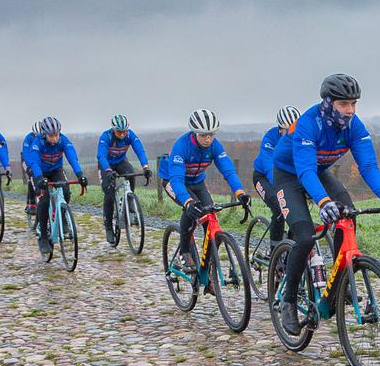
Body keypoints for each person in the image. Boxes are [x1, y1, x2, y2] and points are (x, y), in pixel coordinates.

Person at [272, 74, 380, 336]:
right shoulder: (308, 124)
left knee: (349, 215)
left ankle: (339, 281)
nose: (350, 110)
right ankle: (288, 300)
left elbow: (368, 166)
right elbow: (305, 171)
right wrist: (323, 201)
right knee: (304, 236)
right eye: (344, 104)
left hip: (320, 171)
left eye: (354, 104)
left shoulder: (354, 126)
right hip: (290, 175)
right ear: (327, 103)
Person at [159, 109, 250, 276]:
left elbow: (228, 170)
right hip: (173, 181)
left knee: (209, 217)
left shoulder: (215, 146)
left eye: (211, 134)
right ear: (195, 133)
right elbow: (177, 180)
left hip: (197, 181)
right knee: (191, 210)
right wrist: (187, 201)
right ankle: (184, 252)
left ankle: (207, 272)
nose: (208, 138)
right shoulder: (182, 146)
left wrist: (240, 192)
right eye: (203, 135)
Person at [24, 116, 87, 255]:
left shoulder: (63, 140)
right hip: (40, 172)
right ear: (45, 134)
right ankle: (43, 237)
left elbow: (72, 157)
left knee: (65, 190)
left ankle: (63, 216)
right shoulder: (37, 143)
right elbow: (34, 161)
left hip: (56, 170)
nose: (55, 138)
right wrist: (39, 177)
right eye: (52, 135)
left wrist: (80, 174)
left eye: (57, 134)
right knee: (45, 199)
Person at [97, 114, 152, 245]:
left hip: (121, 161)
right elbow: (101, 156)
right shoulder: (106, 137)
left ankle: (128, 199)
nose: (122, 134)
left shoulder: (130, 135)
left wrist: (145, 167)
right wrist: (108, 170)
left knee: (131, 173)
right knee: (109, 194)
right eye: (119, 132)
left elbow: (140, 151)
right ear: (113, 129)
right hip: (106, 165)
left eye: (124, 131)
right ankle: (109, 227)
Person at [251, 105, 300, 245]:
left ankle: (292, 246)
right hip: (264, 177)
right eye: (288, 130)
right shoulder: (270, 138)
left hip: (287, 177)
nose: (292, 133)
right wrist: (281, 189)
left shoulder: (300, 137)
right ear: (280, 129)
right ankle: (275, 254)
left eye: (294, 129)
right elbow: (269, 167)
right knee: (279, 208)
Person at [21, 121, 41, 215]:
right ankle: (31, 203)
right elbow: (25, 153)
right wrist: (29, 167)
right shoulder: (28, 138)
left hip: (39, 158)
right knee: (32, 176)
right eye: (36, 135)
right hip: (27, 158)